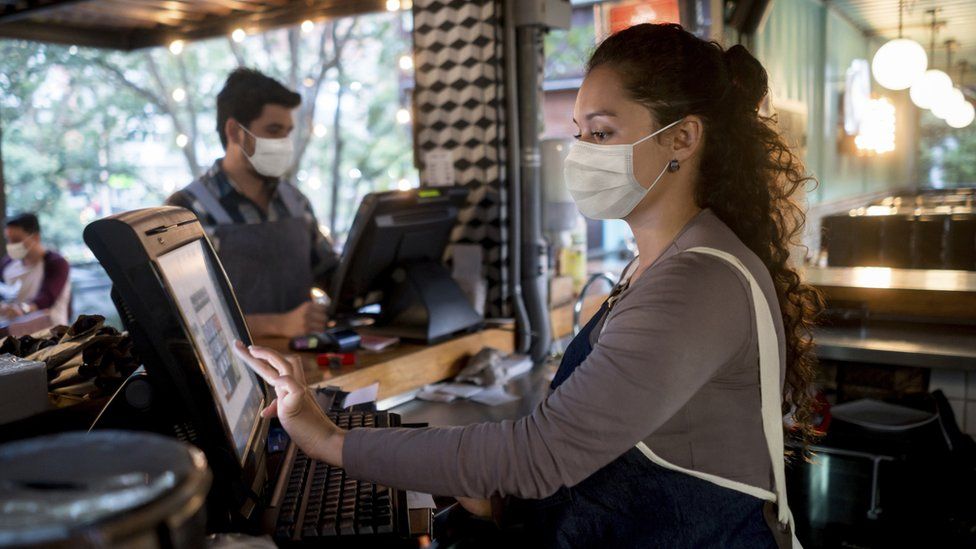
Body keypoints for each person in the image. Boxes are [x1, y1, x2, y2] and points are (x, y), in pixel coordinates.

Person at [234, 23, 823, 548]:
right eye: (580, 133)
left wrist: (328, 440)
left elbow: (542, 453)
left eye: (602, 133)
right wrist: (500, 498)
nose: (581, 153)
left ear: (682, 138)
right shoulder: (660, 262)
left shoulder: (696, 281)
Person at [167, 68, 338, 338]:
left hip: (305, 369)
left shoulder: (296, 201)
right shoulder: (186, 211)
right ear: (235, 131)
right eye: (273, 130)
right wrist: (277, 325)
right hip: (233, 376)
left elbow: (330, 274)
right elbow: (179, 318)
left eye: (287, 132)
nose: (284, 142)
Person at [0, 213, 72, 327]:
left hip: (51, 332)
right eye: (9, 240)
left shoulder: (56, 263)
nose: (11, 245)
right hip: (16, 332)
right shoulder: (7, 264)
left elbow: (47, 298)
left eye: (17, 240)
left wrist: (22, 309)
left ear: (35, 237)